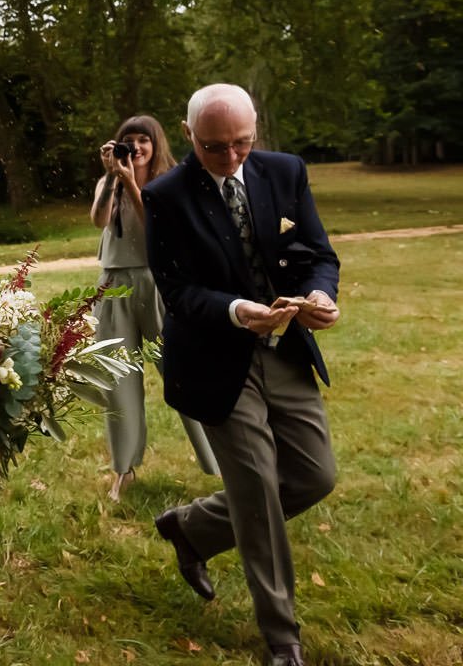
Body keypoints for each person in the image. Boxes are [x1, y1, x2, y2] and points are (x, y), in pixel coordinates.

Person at [141, 84, 341, 666]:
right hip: (213, 360)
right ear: (188, 136)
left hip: (284, 347)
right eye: (214, 147)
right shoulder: (166, 196)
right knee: (255, 489)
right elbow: (175, 291)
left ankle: (192, 529)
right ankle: (283, 637)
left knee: (313, 475)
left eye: (242, 143)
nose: (231, 158)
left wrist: (319, 296)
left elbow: (317, 253)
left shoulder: (286, 172)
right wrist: (236, 311)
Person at [89, 115, 220, 501]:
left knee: (182, 373)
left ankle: (220, 459)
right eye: (128, 140)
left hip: (160, 283)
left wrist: (131, 182)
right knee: (118, 380)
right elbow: (98, 219)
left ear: (156, 143)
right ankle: (124, 468)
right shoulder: (109, 180)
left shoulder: (171, 184)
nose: (136, 148)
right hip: (113, 285)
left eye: (143, 140)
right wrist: (113, 178)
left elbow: (156, 230)